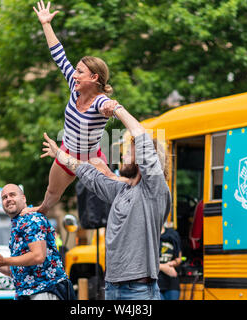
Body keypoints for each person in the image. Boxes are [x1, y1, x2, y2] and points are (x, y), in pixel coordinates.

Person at [39, 103, 171, 300]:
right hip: (112, 288)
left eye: (128, 152)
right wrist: (59, 154)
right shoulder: (121, 190)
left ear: (143, 159)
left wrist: (117, 109)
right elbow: (88, 174)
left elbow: (142, 138)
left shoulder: (154, 190)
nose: (123, 156)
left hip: (139, 291)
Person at [26, 1, 123, 216]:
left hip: (91, 157)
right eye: (76, 71)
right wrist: (46, 24)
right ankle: (36, 215)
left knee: (117, 190)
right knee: (49, 198)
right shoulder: (74, 86)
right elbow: (58, 54)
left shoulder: (99, 101)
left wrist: (111, 108)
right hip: (67, 151)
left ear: (94, 77)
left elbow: (108, 106)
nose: (75, 74)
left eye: (80, 72)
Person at [0, 184, 74, 300]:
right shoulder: (18, 223)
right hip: (28, 293)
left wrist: (4, 260)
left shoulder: (31, 219)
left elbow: (38, 256)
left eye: (12, 195)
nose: (8, 199)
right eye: (4, 197)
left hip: (44, 290)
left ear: (23, 198)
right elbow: (18, 269)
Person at [158, 221, 182, 300]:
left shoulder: (173, 235)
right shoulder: (149, 237)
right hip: (155, 282)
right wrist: (163, 267)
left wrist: (172, 263)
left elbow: (179, 259)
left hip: (172, 281)